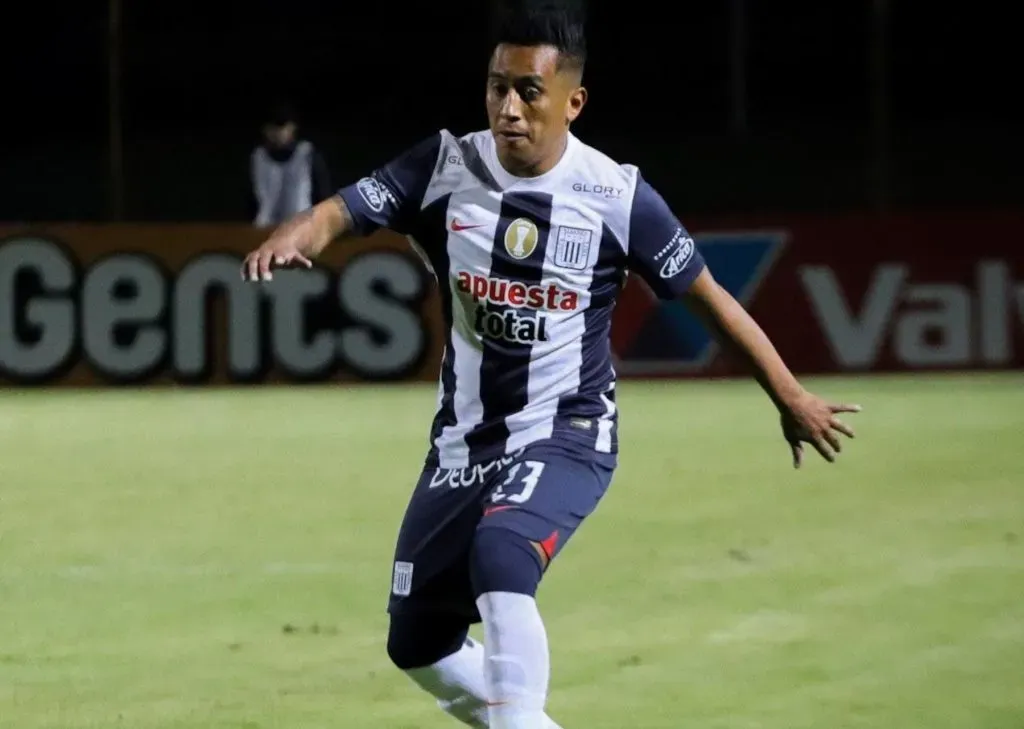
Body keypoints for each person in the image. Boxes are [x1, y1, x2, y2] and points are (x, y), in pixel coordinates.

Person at [241, 1, 861, 726]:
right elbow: (343, 209)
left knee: (503, 553)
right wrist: (300, 234)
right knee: (417, 643)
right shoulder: (445, 165)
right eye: (497, 86)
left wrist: (789, 395)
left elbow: (709, 299)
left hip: (567, 430)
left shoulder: (616, 196)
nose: (508, 107)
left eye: (528, 91)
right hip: (464, 441)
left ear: (573, 101)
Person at [249, 102, 333, 228]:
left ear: (292, 127)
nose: (277, 132)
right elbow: (250, 201)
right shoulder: (257, 158)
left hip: (301, 229)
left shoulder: (307, 154)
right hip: (265, 229)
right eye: (271, 127)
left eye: (282, 126)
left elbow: (323, 195)